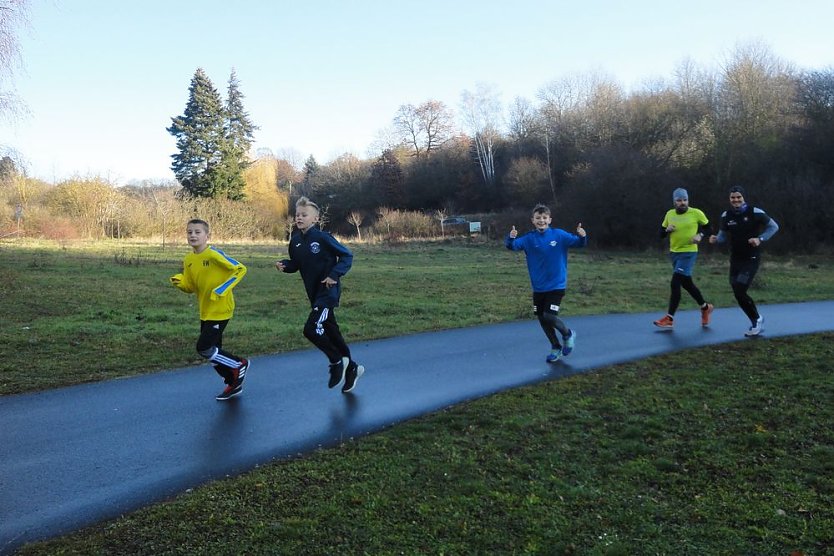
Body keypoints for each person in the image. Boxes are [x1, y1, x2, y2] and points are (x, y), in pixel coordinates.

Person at [275, 197, 364, 393]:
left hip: (327, 293)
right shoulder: (295, 241)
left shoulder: (323, 238)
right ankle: (352, 368)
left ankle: (336, 362)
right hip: (314, 294)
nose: (299, 218)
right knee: (332, 332)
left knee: (311, 329)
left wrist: (334, 274)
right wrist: (285, 265)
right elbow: (296, 264)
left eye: (304, 215)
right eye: (297, 215)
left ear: (315, 219)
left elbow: (347, 256)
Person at [170, 219, 250, 401]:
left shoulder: (214, 254)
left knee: (204, 348)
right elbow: (191, 287)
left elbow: (240, 269)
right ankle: (233, 382)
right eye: (189, 232)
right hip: (205, 310)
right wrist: (180, 283)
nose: (193, 235)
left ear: (207, 236)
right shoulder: (189, 259)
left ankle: (239, 364)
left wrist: (222, 289)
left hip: (221, 308)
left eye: (197, 232)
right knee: (214, 352)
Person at [505, 203, 587, 363]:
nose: (541, 220)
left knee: (549, 316)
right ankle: (555, 347)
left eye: (544, 218)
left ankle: (568, 334)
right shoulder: (529, 239)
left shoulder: (559, 235)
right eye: (538, 218)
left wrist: (582, 236)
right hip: (538, 286)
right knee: (542, 318)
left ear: (549, 220)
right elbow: (512, 246)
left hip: (556, 285)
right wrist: (511, 237)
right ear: (533, 220)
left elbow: (579, 243)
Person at [709, 185, 779, 337]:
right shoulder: (726, 215)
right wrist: (715, 239)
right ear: (729, 199)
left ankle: (756, 321)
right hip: (735, 258)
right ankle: (757, 319)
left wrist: (760, 239)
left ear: (743, 197)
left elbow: (774, 227)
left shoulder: (755, 212)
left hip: (751, 258)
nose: (736, 200)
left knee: (740, 289)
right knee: (737, 291)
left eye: (738, 197)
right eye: (733, 197)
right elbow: (722, 236)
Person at [653, 188, 714, 329]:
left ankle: (669, 318)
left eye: (685, 200)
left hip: (689, 253)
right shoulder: (669, 214)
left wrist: (700, 235)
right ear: (674, 202)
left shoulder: (696, 213)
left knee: (675, 282)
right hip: (674, 253)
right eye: (679, 200)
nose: (682, 203)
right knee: (687, 284)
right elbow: (661, 233)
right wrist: (666, 230)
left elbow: (709, 228)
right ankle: (705, 308)